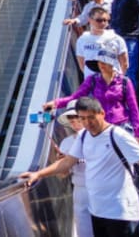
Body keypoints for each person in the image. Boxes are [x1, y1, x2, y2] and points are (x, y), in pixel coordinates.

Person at [21, 96, 139, 237]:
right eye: (82, 118)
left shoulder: (117, 135)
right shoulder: (83, 136)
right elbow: (67, 162)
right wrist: (38, 175)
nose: (86, 123)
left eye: (91, 117)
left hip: (121, 212)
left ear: (102, 113)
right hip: (97, 211)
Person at [43, 45, 139, 141]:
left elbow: (134, 109)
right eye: (99, 62)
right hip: (101, 126)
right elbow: (75, 97)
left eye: (105, 62)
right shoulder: (92, 80)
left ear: (113, 64)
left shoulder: (124, 82)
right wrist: (55, 103)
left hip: (122, 126)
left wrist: (138, 134)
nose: (101, 65)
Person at [56, 100, 92, 237]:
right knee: (84, 230)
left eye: (78, 119)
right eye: (72, 121)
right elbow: (63, 175)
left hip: (101, 188)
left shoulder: (100, 137)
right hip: (80, 189)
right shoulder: (66, 142)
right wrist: (61, 163)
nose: (75, 124)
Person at [72, 7, 128, 79]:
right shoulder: (82, 40)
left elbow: (124, 63)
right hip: (93, 83)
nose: (103, 23)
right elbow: (81, 63)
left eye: (105, 20)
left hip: (113, 82)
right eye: (99, 20)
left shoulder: (117, 39)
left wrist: (118, 79)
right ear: (90, 20)